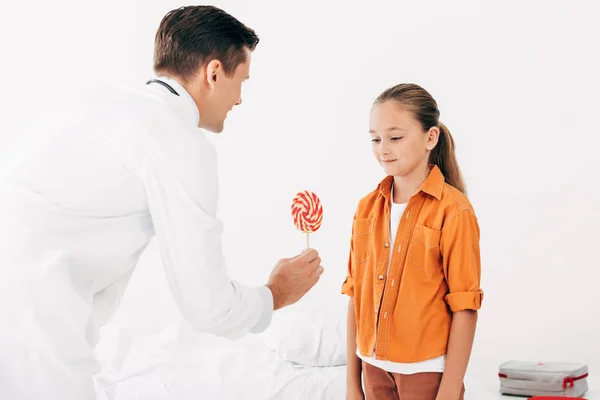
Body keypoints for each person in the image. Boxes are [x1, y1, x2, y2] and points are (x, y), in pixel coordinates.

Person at [0, 5, 323, 400]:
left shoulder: (93, 102)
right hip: (33, 333)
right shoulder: (179, 141)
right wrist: (275, 293)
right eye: (242, 81)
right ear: (215, 73)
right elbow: (209, 307)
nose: (240, 100)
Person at [342, 83, 484, 400]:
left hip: (426, 373)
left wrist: (449, 389)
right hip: (372, 369)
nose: (383, 149)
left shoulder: (454, 210)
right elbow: (355, 296)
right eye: (375, 139)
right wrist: (353, 383)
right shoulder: (366, 209)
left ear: (430, 138)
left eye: (395, 138)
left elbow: (465, 306)